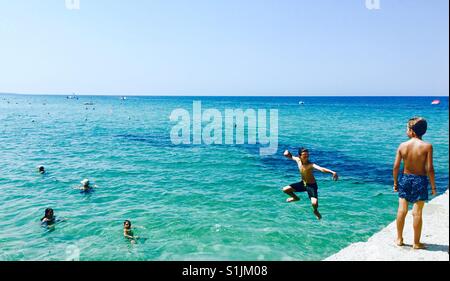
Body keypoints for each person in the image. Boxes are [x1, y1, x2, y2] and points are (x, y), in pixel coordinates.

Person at [393, 117, 436, 249]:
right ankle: (416, 243)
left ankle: (399, 239)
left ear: (412, 131)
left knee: (402, 210)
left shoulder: (402, 146)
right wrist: (433, 186)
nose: (406, 130)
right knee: (417, 213)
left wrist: (395, 182)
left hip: (405, 179)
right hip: (420, 180)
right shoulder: (427, 146)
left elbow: (395, 167)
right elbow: (429, 169)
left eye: (407, 128)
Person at [282, 148, 338, 220]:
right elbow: (290, 156)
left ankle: (315, 211)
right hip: (303, 183)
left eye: (307, 155)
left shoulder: (311, 165)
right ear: (300, 156)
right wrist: (286, 152)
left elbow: (321, 169)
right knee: (285, 189)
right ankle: (296, 198)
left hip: (311, 186)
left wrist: (332, 172)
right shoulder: (298, 160)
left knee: (314, 203)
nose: (306, 156)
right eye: (304, 155)